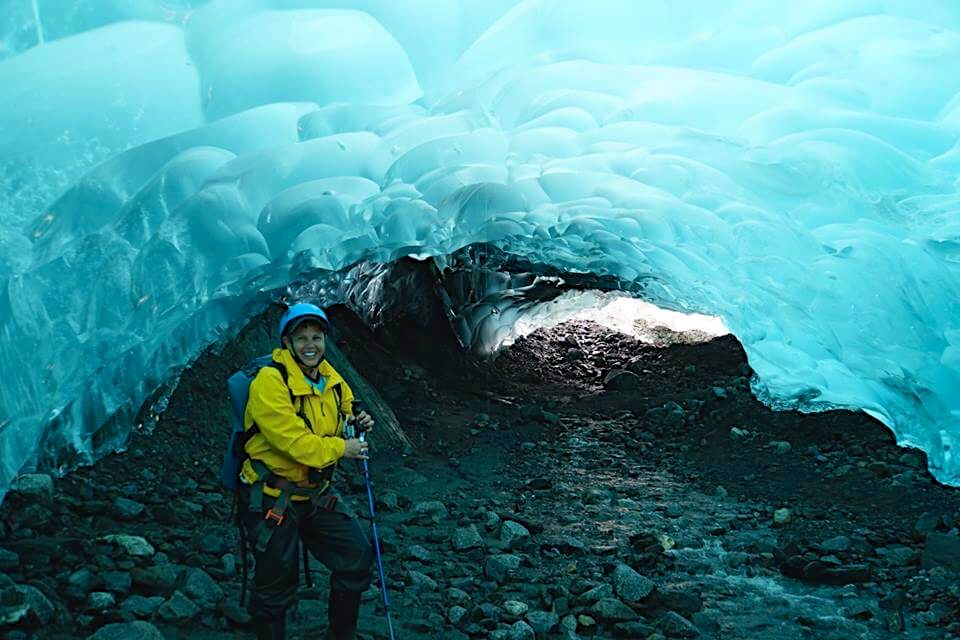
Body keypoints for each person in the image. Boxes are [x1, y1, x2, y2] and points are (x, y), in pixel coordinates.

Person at [239, 302, 375, 640]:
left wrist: (356, 422)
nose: (310, 344)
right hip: (273, 496)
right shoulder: (270, 382)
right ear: (286, 342)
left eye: (317, 336)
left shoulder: (330, 376)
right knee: (275, 586)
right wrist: (345, 449)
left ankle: (340, 635)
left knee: (356, 555)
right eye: (301, 338)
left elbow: (346, 409)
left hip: (314, 494)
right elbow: (297, 444)